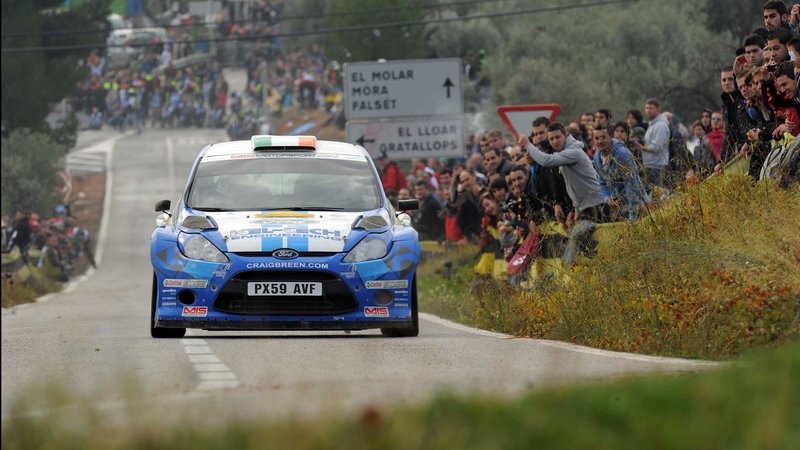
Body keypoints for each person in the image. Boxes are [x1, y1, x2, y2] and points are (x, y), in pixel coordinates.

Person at [591, 125, 648, 222]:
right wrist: (607, 198)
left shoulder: (623, 154)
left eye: (603, 137)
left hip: (636, 204)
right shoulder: (597, 157)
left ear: (611, 136)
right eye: (596, 138)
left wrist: (633, 216)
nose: (600, 141)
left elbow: (632, 184)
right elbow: (601, 181)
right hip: (617, 206)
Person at [637, 99, 671, 196]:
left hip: (656, 167)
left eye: (651, 108)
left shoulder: (660, 125)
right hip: (650, 166)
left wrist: (641, 147)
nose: (648, 110)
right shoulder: (653, 124)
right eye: (647, 108)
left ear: (658, 109)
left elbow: (657, 147)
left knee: (655, 197)